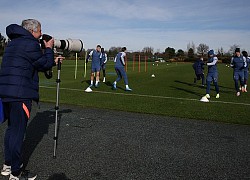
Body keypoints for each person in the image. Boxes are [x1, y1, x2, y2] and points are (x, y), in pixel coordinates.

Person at [0, 19, 62, 180]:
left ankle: (7, 166)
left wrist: (51, 61)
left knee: (11, 130)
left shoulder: (14, 43)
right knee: (18, 133)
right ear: (32, 31)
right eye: (40, 31)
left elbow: (33, 63)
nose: (41, 34)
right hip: (21, 95)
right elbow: (43, 64)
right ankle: (16, 172)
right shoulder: (30, 44)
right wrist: (48, 48)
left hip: (7, 92)